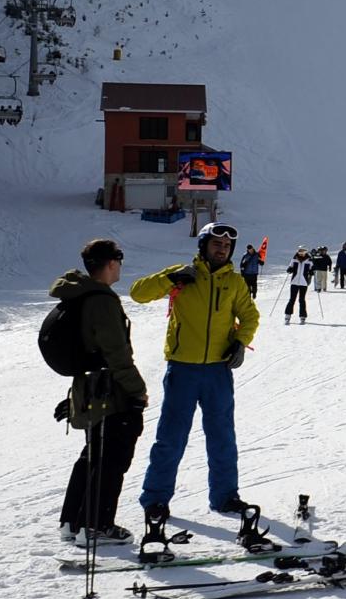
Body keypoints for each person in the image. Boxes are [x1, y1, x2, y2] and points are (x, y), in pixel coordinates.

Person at [129, 222, 261, 523]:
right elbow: (138, 293)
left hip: (217, 371)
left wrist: (241, 343)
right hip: (183, 369)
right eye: (216, 243)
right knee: (171, 438)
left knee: (222, 437)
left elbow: (250, 316)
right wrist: (169, 278)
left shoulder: (235, 283)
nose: (222, 248)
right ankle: (156, 499)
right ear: (203, 245)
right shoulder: (182, 274)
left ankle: (225, 496)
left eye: (227, 246)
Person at [53, 237, 149, 544]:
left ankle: (73, 521)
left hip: (86, 389)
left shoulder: (78, 294)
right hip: (110, 391)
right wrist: (137, 392)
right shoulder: (102, 300)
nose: (120, 267)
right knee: (112, 460)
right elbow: (117, 354)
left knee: (92, 455)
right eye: (118, 261)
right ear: (110, 263)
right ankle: (96, 526)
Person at [284, 249, 312, 322]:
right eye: (300, 252)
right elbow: (290, 267)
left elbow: (312, 269)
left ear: (305, 252)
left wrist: (312, 271)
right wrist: (289, 269)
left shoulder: (309, 260)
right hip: (294, 282)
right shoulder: (294, 259)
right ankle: (287, 315)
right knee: (292, 299)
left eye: (303, 252)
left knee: (301, 299)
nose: (301, 254)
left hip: (304, 283)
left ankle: (302, 316)